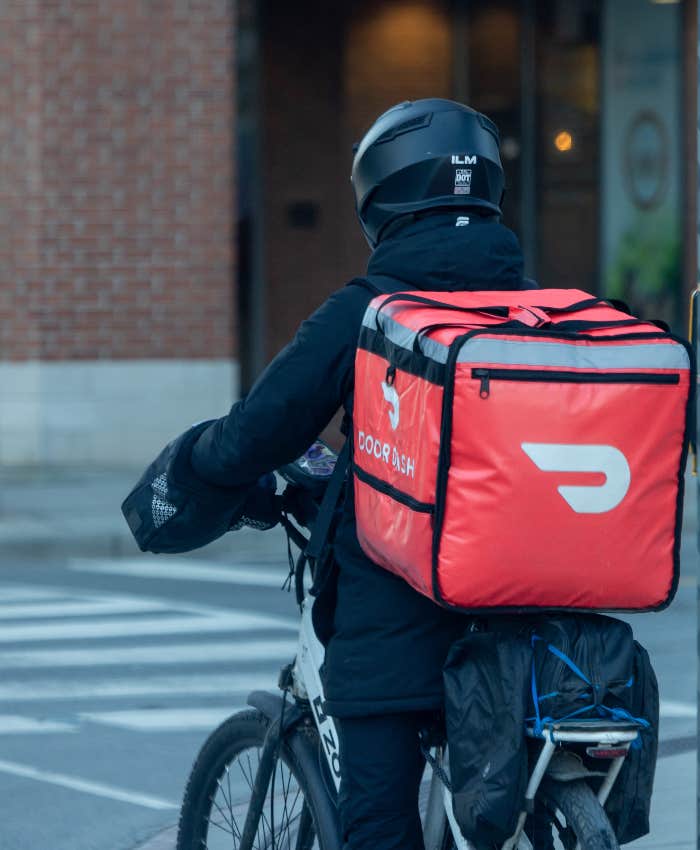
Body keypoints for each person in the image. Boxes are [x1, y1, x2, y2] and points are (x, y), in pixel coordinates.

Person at [185, 98, 531, 850]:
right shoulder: (537, 312)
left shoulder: (370, 313)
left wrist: (190, 474)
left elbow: (258, 430)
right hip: (532, 614)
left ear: (383, 200)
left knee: (378, 826)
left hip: (395, 624)